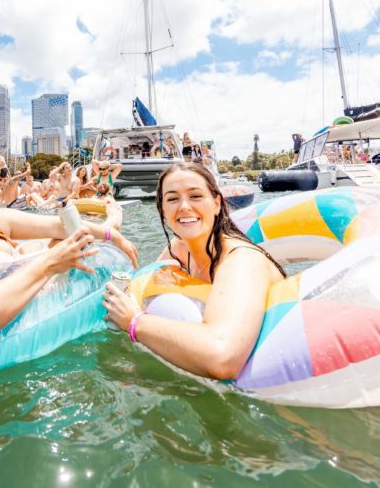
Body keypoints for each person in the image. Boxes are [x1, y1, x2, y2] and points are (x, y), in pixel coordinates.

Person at [0, 141, 138, 349]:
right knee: (57, 245)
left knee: (62, 237)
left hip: (45, 296)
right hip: (8, 333)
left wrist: (113, 235)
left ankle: (112, 221)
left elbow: (59, 226)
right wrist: (51, 263)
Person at [102, 162, 285, 381]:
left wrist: (134, 322)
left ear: (217, 204)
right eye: (172, 199)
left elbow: (222, 357)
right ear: (162, 209)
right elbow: (142, 290)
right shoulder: (179, 249)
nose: (184, 206)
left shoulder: (243, 261)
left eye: (196, 196)